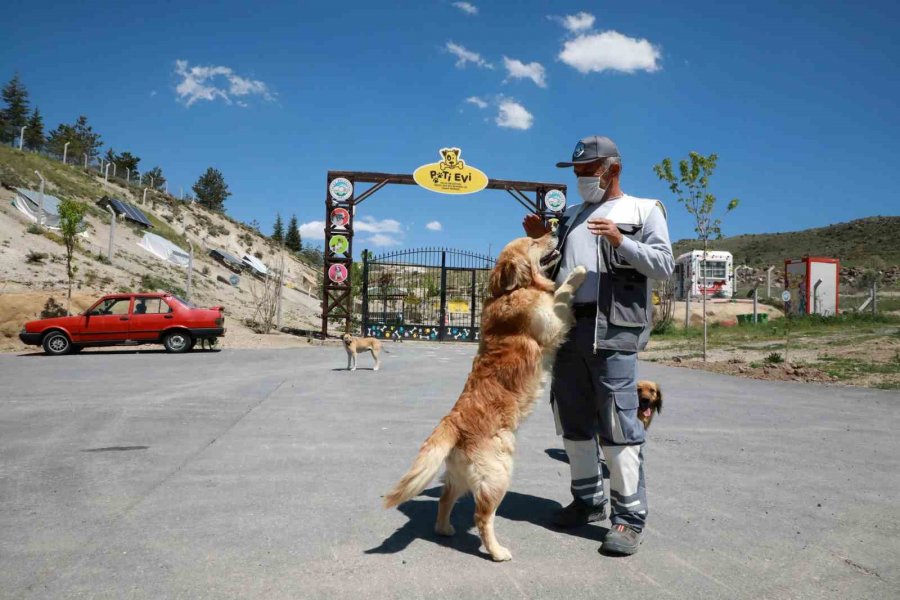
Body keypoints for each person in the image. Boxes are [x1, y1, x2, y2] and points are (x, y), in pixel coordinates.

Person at [523, 136, 674, 555]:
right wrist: (541, 243)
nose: (581, 179)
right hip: (570, 329)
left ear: (613, 169)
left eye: (588, 171)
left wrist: (620, 241)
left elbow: (663, 265)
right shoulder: (570, 217)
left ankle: (628, 520)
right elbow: (555, 272)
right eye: (577, 172)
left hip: (614, 331)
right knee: (572, 419)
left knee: (619, 425)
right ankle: (587, 501)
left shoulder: (645, 210)